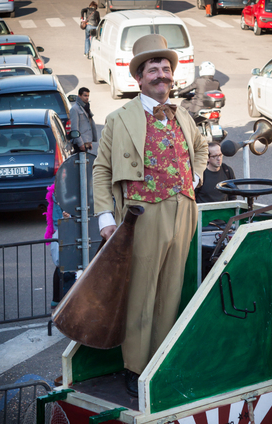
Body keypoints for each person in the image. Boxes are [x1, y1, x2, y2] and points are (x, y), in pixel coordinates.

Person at [92, 34, 208, 397]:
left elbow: (202, 147)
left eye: (166, 69)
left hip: (184, 210)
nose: (162, 75)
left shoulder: (183, 115)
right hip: (144, 212)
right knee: (141, 293)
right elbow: (101, 170)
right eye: (153, 69)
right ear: (140, 78)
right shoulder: (119, 118)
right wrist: (105, 218)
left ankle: (158, 365)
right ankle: (135, 368)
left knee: (170, 293)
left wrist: (198, 174)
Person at [69, 87, 98, 154]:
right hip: (79, 144)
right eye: (85, 95)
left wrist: (89, 142)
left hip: (86, 142)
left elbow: (88, 124)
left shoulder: (86, 107)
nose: (87, 97)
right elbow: (74, 129)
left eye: (88, 95)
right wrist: (80, 144)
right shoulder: (75, 109)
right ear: (79, 96)